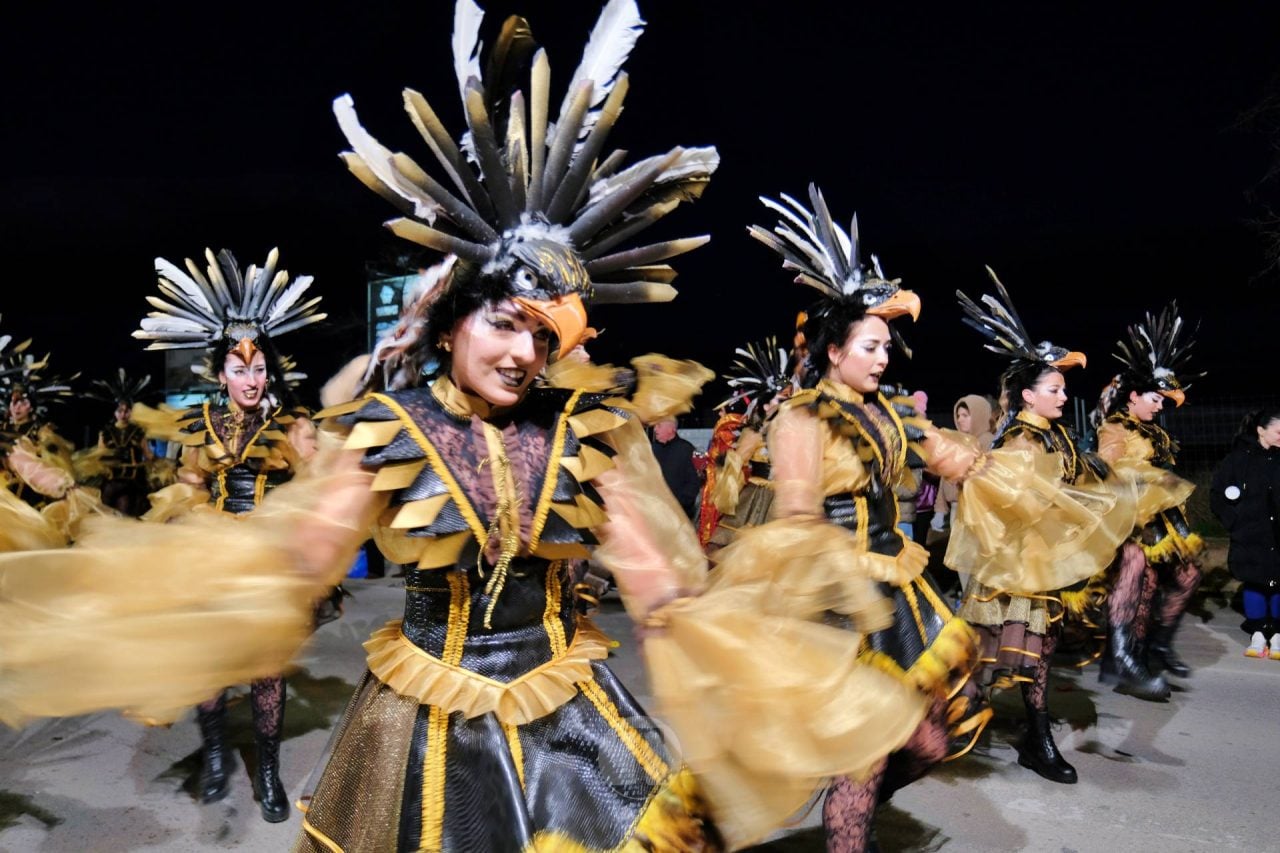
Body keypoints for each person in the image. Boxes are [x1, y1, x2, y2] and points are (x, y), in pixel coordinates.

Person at [745, 186, 996, 851]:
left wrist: (995, 467)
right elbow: (798, 513)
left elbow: (946, 454)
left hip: (897, 590)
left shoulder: (892, 411)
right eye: (870, 346)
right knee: (860, 750)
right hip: (838, 599)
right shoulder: (803, 416)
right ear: (834, 351)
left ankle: (849, 810)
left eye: (887, 347)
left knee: (931, 735)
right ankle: (847, 827)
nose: (883, 357)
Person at [131, 245, 326, 822]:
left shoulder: (292, 424)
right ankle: (216, 755)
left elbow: (314, 488)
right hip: (213, 558)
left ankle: (266, 770)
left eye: (259, 367)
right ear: (220, 372)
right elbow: (187, 486)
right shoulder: (201, 425)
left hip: (270, 560)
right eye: (239, 369)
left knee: (267, 668)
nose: (250, 377)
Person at [946, 268, 1149, 784]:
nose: (1063, 396)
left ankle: (1034, 738)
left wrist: (1099, 478)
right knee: (992, 654)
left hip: (1044, 563)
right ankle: (945, 728)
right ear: (1029, 395)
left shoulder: (1055, 437)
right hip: (1016, 568)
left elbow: (1072, 486)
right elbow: (1020, 502)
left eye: (1063, 389)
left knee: (1038, 655)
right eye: (1054, 389)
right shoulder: (1019, 441)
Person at [1093, 303, 1202, 693]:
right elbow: (1107, 467)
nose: (1160, 405)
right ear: (1134, 396)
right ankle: (1130, 660)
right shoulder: (1116, 427)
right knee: (1145, 584)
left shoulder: (1155, 432)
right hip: (1130, 521)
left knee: (1188, 574)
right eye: (1155, 398)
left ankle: (1156, 644)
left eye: (1163, 400)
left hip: (1163, 521)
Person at [1211, 408, 1280, 659]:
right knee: (1255, 581)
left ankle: (1279, 633)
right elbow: (1217, 495)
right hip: (1251, 534)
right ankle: (1259, 632)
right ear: (1261, 430)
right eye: (1278, 431)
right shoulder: (1237, 459)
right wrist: (1235, 522)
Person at [89, 369, 157, 518]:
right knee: (107, 515)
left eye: (126, 410)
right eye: (120, 410)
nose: (123, 414)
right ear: (114, 412)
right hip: (111, 481)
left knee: (126, 514)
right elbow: (100, 454)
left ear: (131, 412)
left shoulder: (139, 432)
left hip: (133, 482)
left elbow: (148, 454)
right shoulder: (105, 433)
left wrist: (159, 466)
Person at [651, 415, 702, 519]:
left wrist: (677, 504)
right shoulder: (651, 450)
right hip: (653, 513)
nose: (655, 429)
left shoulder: (686, 449)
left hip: (678, 514)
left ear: (671, 429)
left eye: (658, 425)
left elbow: (694, 483)